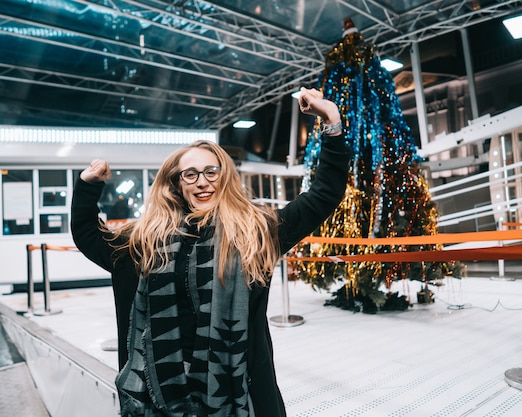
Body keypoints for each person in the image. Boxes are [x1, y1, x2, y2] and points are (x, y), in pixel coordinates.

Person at [70, 87, 352, 417]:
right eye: (190, 174)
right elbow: (90, 236)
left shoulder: (253, 232)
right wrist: (88, 186)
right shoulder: (147, 240)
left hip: (235, 396)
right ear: (176, 183)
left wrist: (331, 123)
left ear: (224, 177)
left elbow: (321, 197)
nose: (202, 182)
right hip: (159, 398)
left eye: (211, 171)